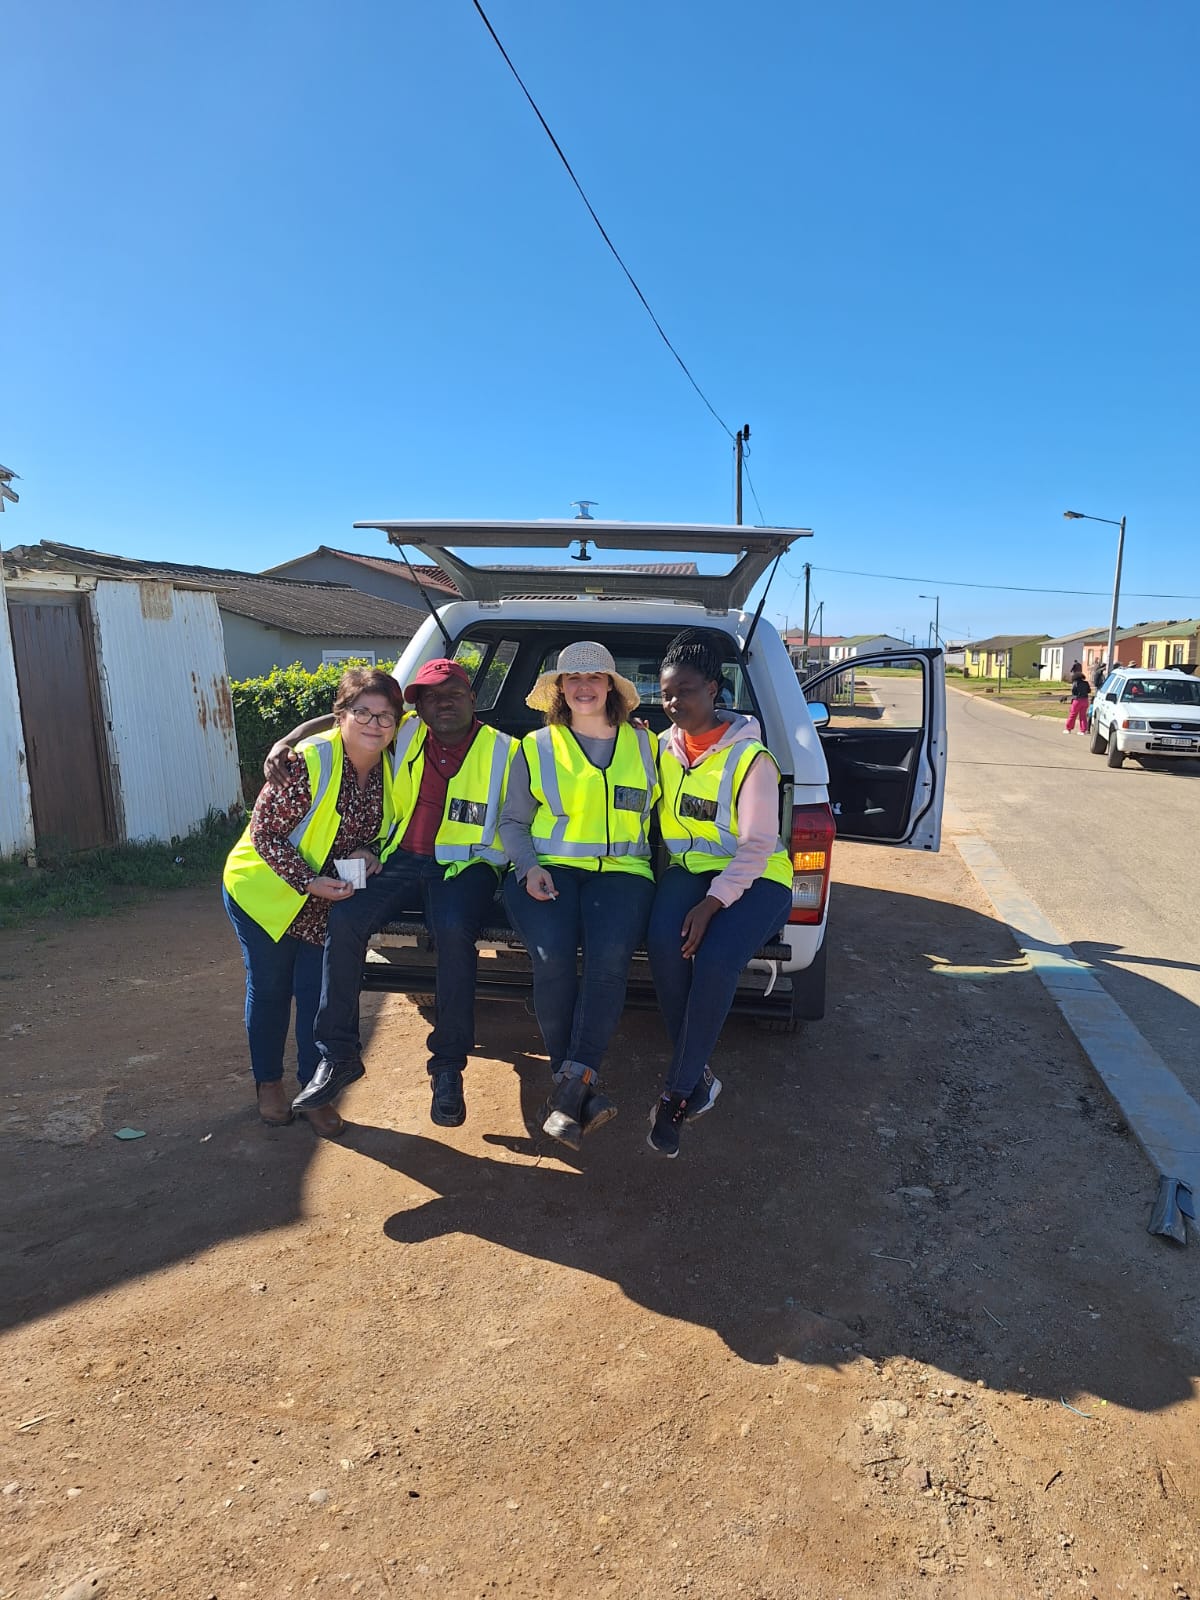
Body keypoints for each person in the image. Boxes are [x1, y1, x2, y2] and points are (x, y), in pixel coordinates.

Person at [268, 660, 513, 1128]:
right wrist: (289, 739)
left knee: (453, 929)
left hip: (467, 865)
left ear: (472, 698)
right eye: (429, 696)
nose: (442, 703)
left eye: (453, 693)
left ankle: (447, 1067)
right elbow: (350, 716)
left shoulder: (508, 750)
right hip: (398, 857)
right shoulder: (406, 733)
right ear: (415, 707)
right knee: (344, 917)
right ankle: (338, 1054)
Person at [222, 666, 404, 1138]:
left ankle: (314, 1090)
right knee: (271, 989)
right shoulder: (308, 761)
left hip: (326, 901)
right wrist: (308, 881)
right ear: (340, 715)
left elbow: (391, 832)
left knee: (316, 999)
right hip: (265, 891)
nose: (374, 724)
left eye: (386, 716)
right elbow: (265, 832)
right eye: (362, 712)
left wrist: (373, 853)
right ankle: (268, 1085)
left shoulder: (394, 769)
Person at [499, 641, 659, 1150]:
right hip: (547, 871)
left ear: (612, 686)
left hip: (625, 872)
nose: (584, 686)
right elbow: (512, 823)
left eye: (595, 678)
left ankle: (569, 1092)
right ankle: (578, 1087)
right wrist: (528, 869)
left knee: (609, 961)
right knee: (552, 959)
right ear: (560, 691)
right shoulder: (536, 746)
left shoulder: (649, 745)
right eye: (573, 679)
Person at [644, 629, 794, 1158]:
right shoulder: (659, 748)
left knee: (714, 958)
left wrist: (713, 903)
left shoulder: (751, 758)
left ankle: (678, 1094)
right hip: (691, 867)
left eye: (684, 690)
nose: (672, 702)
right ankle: (699, 1071)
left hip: (758, 877)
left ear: (713, 689)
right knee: (664, 944)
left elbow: (757, 845)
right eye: (665, 692)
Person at [1066, 666, 1091, 734]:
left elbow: (1073, 692)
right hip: (1085, 700)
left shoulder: (1075, 683)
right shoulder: (1086, 683)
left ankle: (1069, 728)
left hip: (1077, 700)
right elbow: (1089, 691)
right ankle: (1083, 730)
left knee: (1073, 715)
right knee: (1083, 716)